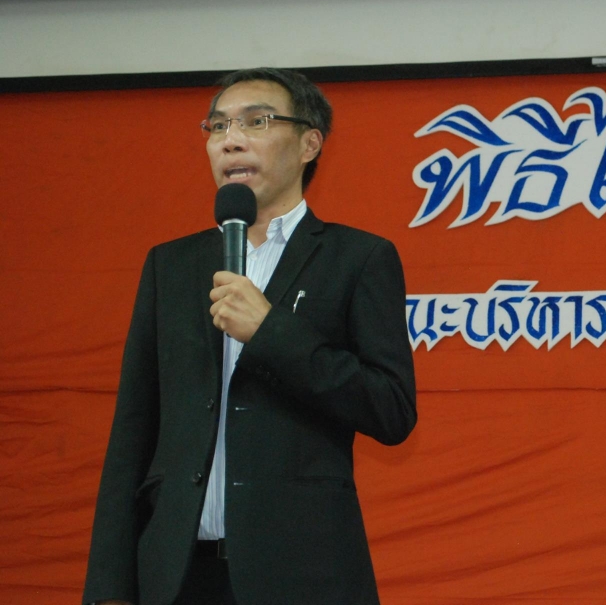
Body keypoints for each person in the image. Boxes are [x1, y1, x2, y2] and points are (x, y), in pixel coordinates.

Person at [82, 68, 417, 605]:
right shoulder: (171, 265)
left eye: (256, 122)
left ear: (309, 144)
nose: (230, 140)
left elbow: (391, 409)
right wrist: (109, 587)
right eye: (218, 126)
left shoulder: (358, 258)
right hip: (177, 576)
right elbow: (132, 432)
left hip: (303, 575)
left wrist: (271, 332)